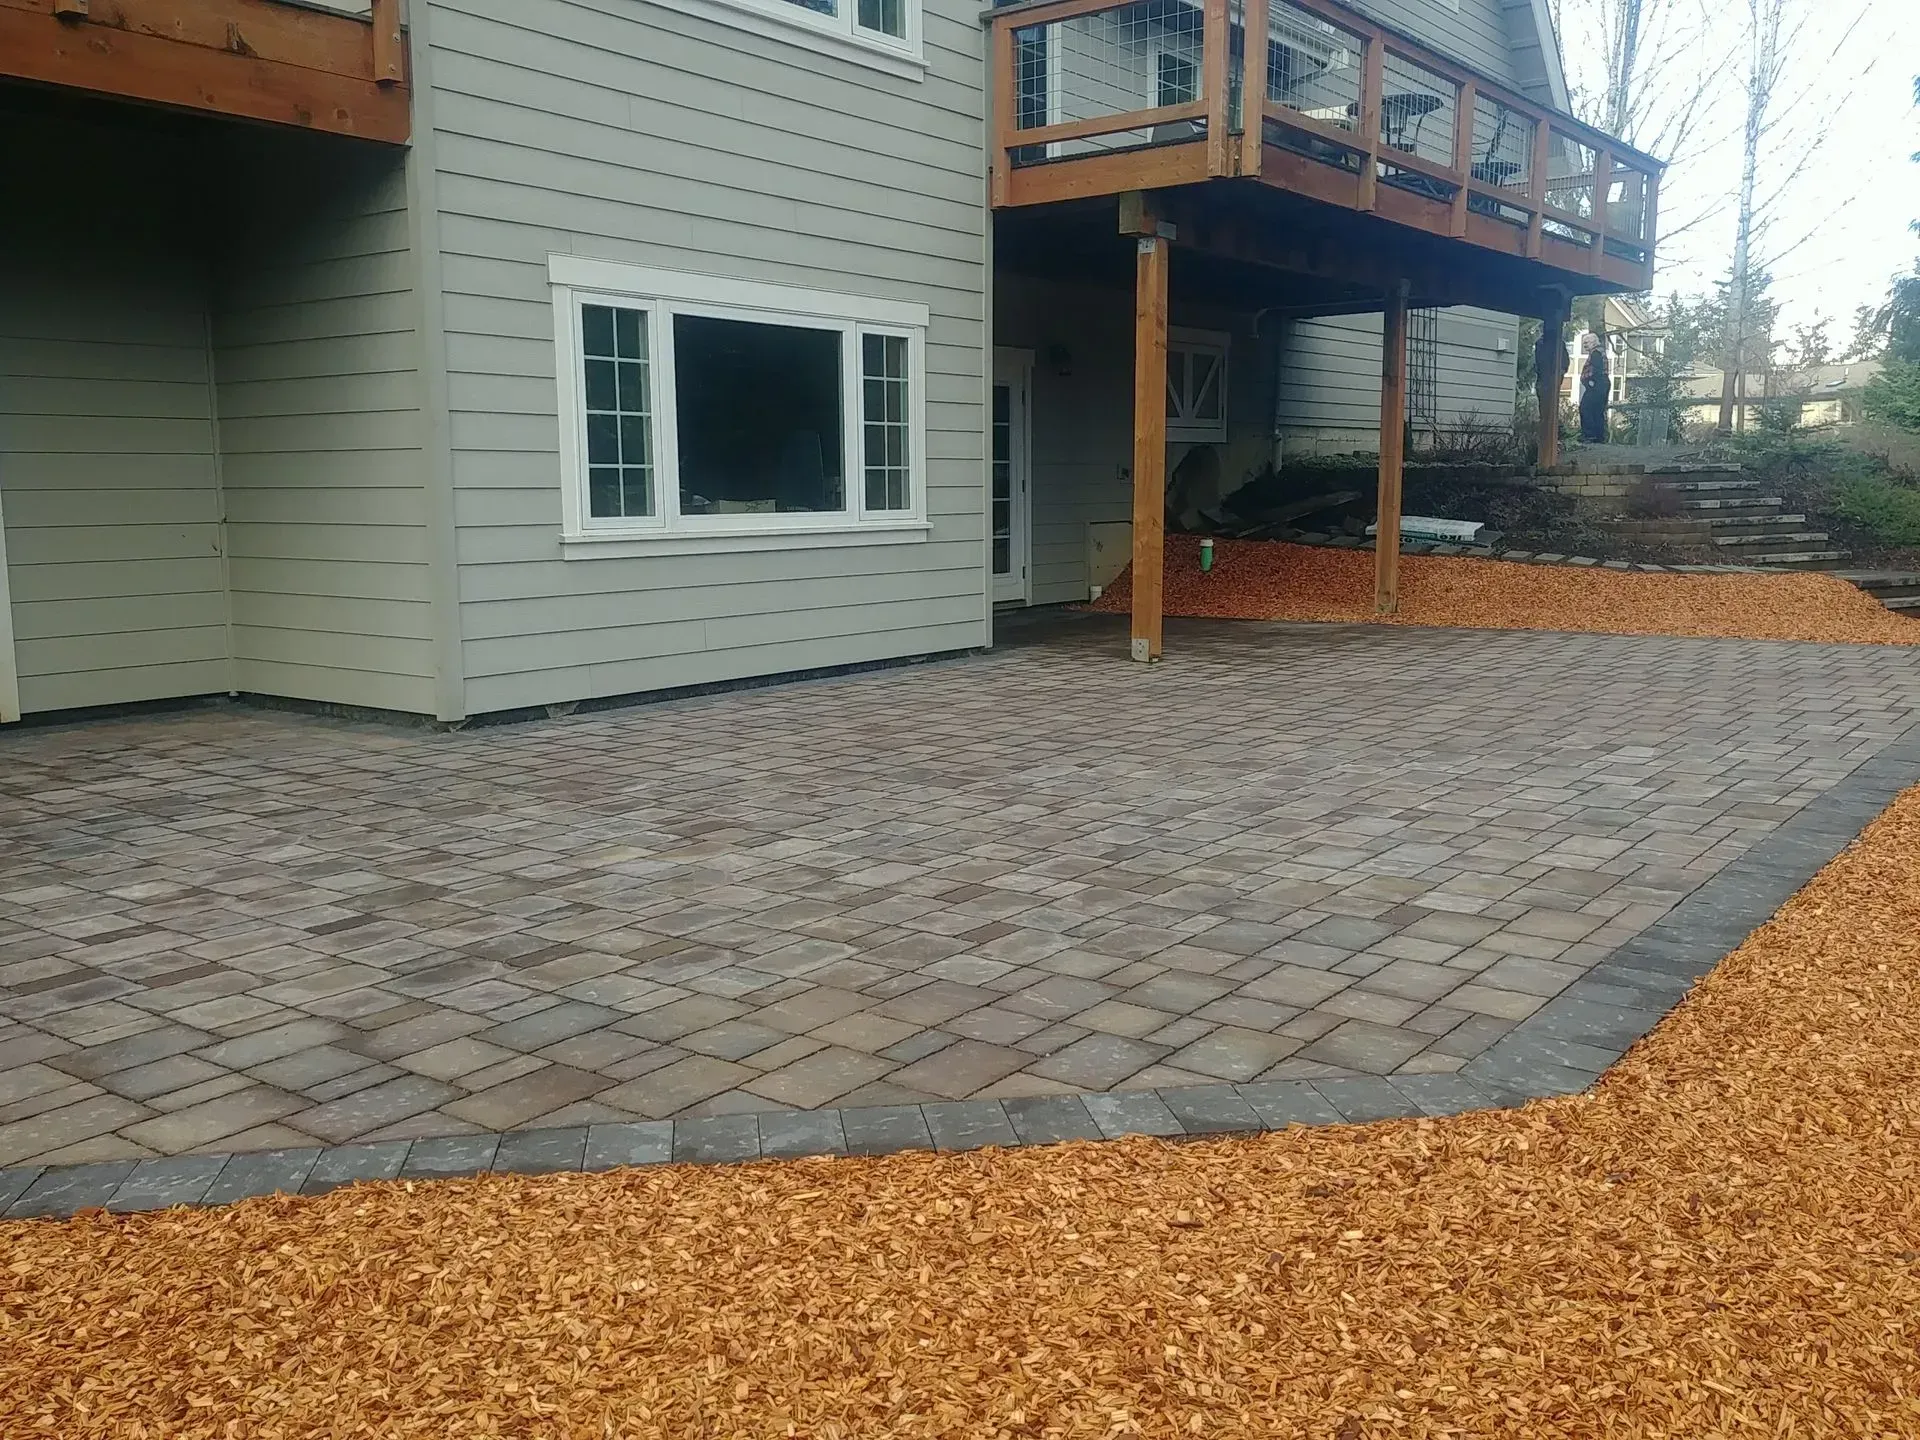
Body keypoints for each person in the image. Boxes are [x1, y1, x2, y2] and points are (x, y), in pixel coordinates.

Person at [1579, 333, 1611, 444]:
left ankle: (1590, 436)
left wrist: (1591, 382)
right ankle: (1599, 436)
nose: (1584, 345)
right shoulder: (1599, 352)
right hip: (1602, 384)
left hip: (1597, 384)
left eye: (1586, 343)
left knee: (1586, 408)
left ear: (1593, 342)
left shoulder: (1596, 353)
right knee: (1598, 410)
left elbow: (1597, 369)